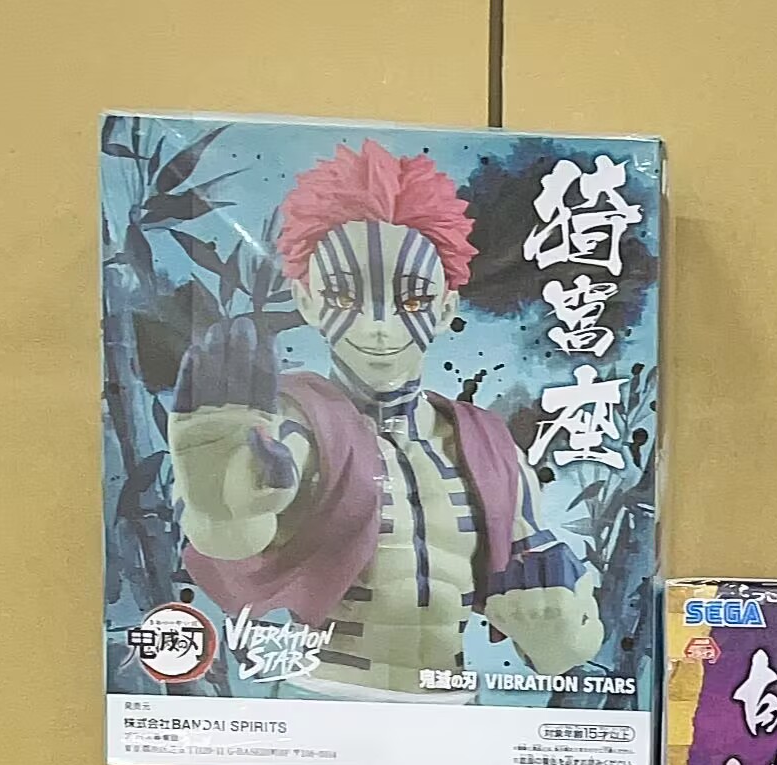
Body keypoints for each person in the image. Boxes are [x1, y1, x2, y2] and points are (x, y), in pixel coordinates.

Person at [172, 138, 603, 699]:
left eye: (413, 301)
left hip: (455, 706)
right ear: (306, 301)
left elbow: (553, 603)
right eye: (345, 296)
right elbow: (239, 526)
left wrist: (560, 636)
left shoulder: (488, 443)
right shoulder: (295, 420)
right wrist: (218, 505)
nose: (379, 326)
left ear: (446, 308)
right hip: (323, 699)